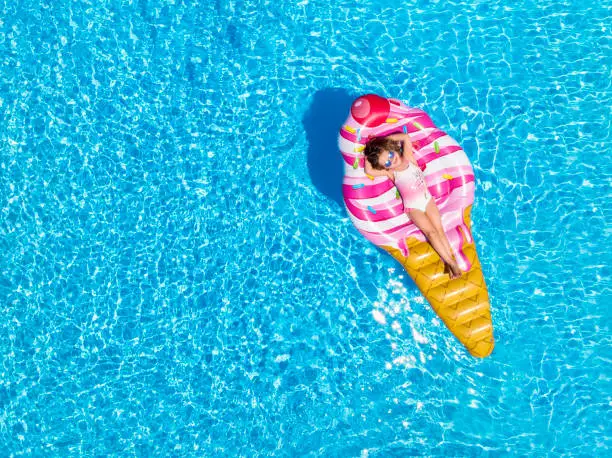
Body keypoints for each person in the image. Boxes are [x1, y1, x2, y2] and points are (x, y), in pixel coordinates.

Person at [363, 133, 463, 279]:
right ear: (385, 167)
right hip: (413, 208)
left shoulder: (408, 158)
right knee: (431, 233)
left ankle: (449, 262)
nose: (392, 160)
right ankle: (452, 263)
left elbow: (404, 138)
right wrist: (366, 156)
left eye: (390, 155)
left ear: (392, 148)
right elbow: (369, 171)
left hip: (427, 199)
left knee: (440, 230)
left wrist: (384, 142)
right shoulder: (391, 173)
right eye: (387, 163)